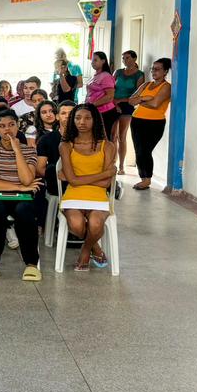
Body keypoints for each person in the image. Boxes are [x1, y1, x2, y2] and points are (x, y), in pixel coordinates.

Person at [0, 107, 43, 281]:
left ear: (18, 126)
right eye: (2, 126)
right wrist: (17, 187)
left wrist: (17, 150)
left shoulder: (29, 150)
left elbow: (27, 180)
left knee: (24, 211)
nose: (8, 129)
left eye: (12, 125)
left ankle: (31, 264)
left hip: (22, 198)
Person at [59, 103, 115, 271]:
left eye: (87, 118)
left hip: (98, 195)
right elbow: (73, 182)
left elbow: (106, 184)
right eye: (77, 118)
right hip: (73, 195)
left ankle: (85, 250)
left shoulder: (108, 146)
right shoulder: (66, 145)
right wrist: (106, 173)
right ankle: (96, 248)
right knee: (76, 225)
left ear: (95, 120)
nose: (82, 122)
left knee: (96, 224)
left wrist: (75, 178)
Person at [128, 57, 172, 191]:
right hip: (136, 121)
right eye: (153, 69)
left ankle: (147, 180)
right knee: (139, 151)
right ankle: (143, 179)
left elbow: (155, 104)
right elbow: (131, 100)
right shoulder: (146, 84)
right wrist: (145, 98)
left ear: (165, 71)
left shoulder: (166, 87)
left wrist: (140, 100)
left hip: (154, 124)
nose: (154, 71)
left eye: (158, 69)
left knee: (145, 151)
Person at [112, 50, 145, 175]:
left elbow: (137, 94)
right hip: (113, 104)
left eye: (127, 58)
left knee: (122, 136)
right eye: (123, 58)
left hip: (127, 106)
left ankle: (121, 166)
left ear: (134, 59)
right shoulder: (118, 72)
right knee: (112, 136)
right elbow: (110, 88)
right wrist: (114, 103)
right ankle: (112, 164)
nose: (125, 60)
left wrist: (121, 101)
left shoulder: (139, 75)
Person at [36, 101, 75, 200]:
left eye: (71, 113)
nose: (67, 116)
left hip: (83, 178)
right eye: (63, 113)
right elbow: (40, 169)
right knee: (52, 168)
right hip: (58, 180)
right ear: (57, 116)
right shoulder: (46, 139)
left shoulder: (87, 138)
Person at [85, 52, 118, 140]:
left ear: (103, 61)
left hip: (106, 112)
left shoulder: (106, 76)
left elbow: (110, 96)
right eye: (92, 61)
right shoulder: (95, 76)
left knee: (104, 139)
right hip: (95, 111)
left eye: (95, 60)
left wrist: (92, 105)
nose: (92, 62)